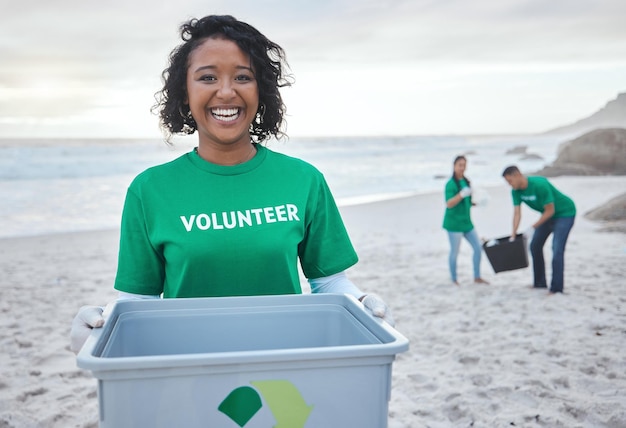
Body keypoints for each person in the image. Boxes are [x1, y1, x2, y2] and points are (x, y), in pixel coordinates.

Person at [70, 15, 394, 353]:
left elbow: (327, 283)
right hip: (186, 368)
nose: (226, 92)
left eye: (243, 77)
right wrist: (100, 327)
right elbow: (139, 302)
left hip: (287, 364)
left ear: (261, 91)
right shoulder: (149, 190)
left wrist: (361, 302)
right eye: (207, 77)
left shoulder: (304, 180)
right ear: (185, 92)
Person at [501, 165, 576, 294]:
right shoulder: (515, 191)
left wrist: (532, 227)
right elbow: (517, 213)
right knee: (535, 246)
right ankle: (539, 283)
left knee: (557, 249)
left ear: (518, 175)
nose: (510, 185)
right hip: (548, 216)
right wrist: (513, 235)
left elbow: (550, 210)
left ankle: (556, 288)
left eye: (510, 181)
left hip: (565, 213)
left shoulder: (540, 184)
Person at [442, 155, 489, 285]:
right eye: (460, 165)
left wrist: (476, 203)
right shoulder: (450, 184)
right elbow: (449, 203)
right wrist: (461, 194)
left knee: (478, 248)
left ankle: (477, 276)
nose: (462, 168)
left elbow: (467, 201)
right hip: (454, 224)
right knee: (455, 252)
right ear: (454, 166)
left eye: (464, 165)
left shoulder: (467, 181)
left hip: (467, 223)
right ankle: (454, 279)